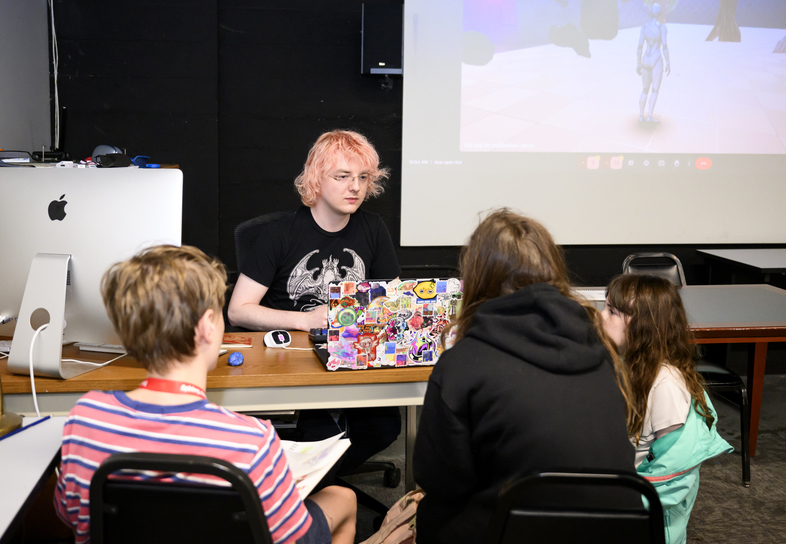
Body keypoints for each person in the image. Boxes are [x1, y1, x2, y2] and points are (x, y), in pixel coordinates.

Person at [54, 245, 356, 544]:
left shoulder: (84, 420)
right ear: (207, 329)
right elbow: (288, 537)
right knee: (342, 498)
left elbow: (74, 518)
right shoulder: (254, 439)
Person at [413, 209, 636, 544]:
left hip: (513, 531)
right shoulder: (601, 350)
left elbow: (440, 481)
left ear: (477, 276)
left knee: (420, 512)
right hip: (617, 529)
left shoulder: (462, 364)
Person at [227, 130, 402, 475]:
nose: (355, 187)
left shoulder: (372, 227)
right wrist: (304, 320)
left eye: (362, 178)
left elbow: (394, 298)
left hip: (354, 355)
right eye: (343, 177)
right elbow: (238, 310)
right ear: (316, 180)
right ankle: (303, 497)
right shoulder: (280, 233)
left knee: (383, 428)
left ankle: (300, 487)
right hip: (292, 361)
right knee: (318, 434)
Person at [602, 274, 732, 544]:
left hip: (643, 517)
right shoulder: (630, 365)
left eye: (612, 312)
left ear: (642, 326)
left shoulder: (665, 386)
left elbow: (674, 473)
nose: (602, 317)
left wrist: (619, 506)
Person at [637, 3, 670, 123]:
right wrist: (668, 63)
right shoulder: (662, 28)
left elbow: (639, 47)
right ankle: (649, 116)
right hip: (656, 60)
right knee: (655, 90)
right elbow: (664, 47)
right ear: (659, 14)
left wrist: (638, 63)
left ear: (651, 13)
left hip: (645, 59)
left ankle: (641, 116)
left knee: (644, 90)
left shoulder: (644, 27)